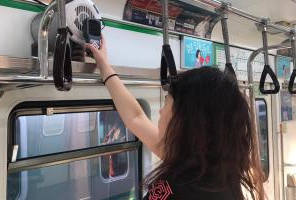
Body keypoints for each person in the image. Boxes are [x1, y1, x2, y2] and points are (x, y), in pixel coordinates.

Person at [85, 36, 265, 200]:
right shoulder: (212, 170)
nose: (162, 112)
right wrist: (104, 66)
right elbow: (136, 118)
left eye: (167, 103)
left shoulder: (179, 189)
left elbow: (136, 118)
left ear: (186, 119)